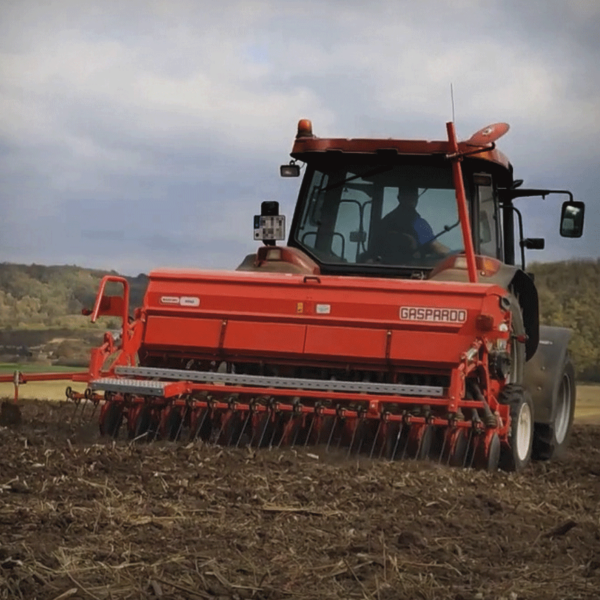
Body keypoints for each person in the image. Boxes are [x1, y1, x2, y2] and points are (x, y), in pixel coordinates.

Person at [372, 187, 449, 263]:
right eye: (409, 196)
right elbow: (436, 248)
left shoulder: (386, 221)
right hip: (411, 268)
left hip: (385, 267)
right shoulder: (416, 223)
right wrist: (453, 254)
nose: (412, 199)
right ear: (399, 198)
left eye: (414, 196)